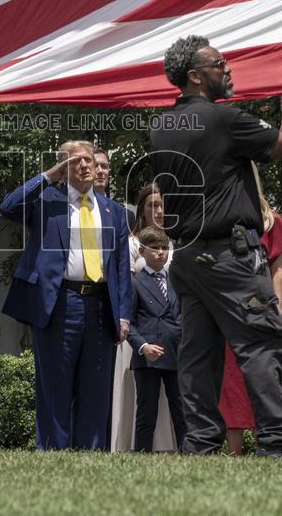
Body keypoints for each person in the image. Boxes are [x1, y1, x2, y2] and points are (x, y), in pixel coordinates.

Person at [148, 34, 282, 457]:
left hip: (187, 258)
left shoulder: (163, 126)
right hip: (229, 258)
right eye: (219, 64)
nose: (228, 68)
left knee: (199, 357)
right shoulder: (223, 120)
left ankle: (199, 446)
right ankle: (278, 444)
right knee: (260, 344)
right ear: (196, 76)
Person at [1, 140, 132, 450]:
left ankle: (90, 455)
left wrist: (123, 312)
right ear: (63, 167)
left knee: (95, 389)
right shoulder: (48, 201)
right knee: (55, 386)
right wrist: (48, 175)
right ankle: (53, 453)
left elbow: (121, 267)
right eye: (75, 161)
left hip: (101, 306)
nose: (85, 166)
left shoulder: (113, 211)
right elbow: (8, 207)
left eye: (89, 160)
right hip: (60, 303)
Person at [218, 168, 282, 456]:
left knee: (264, 376)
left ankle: (271, 444)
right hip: (228, 306)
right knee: (231, 384)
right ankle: (234, 452)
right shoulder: (222, 214)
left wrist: (274, 307)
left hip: (261, 307)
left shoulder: (269, 220)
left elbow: (278, 269)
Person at [111, 182, 175, 452]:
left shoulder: (174, 243)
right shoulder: (132, 244)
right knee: (143, 399)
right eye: (151, 205)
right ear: (142, 209)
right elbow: (127, 288)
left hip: (171, 334)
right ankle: (136, 445)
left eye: (161, 205)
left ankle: (173, 444)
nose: (157, 211)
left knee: (176, 398)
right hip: (142, 331)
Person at [127, 227, 185, 452]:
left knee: (182, 411)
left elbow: (182, 315)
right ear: (142, 251)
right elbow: (128, 322)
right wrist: (142, 346)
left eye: (165, 248)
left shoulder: (175, 282)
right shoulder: (135, 283)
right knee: (146, 413)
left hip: (176, 353)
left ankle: (189, 455)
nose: (162, 253)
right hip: (148, 357)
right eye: (156, 249)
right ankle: (141, 455)